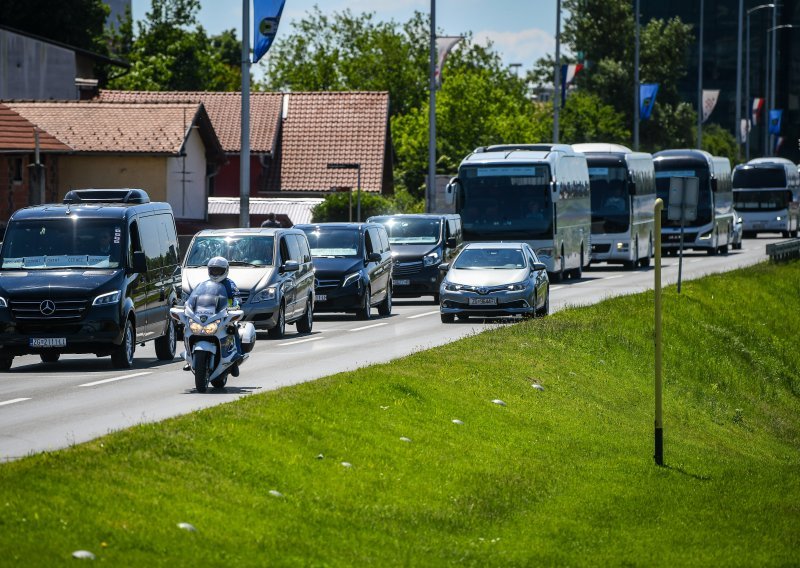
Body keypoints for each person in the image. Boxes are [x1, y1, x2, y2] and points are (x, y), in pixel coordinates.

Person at [184, 256, 243, 374]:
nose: (215, 273)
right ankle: (189, 358)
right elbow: (194, 297)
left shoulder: (229, 284)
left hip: (225, 314)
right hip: (206, 315)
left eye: (218, 270)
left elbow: (237, 297)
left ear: (225, 270)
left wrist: (236, 304)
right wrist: (187, 304)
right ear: (209, 270)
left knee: (233, 329)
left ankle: (237, 357)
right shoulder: (204, 285)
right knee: (187, 328)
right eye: (213, 270)